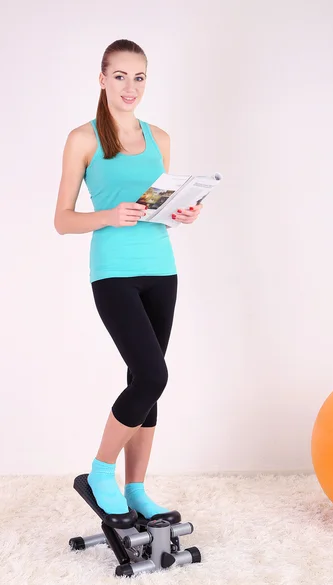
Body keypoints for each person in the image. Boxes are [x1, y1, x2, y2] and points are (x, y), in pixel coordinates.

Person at [54, 39, 203, 519]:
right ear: (102, 79)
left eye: (139, 77)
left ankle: (136, 489)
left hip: (162, 269)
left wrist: (184, 212)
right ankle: (101, 471)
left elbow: (159, 209)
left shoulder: (159, 137)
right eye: (120, 76)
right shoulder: (83, 139)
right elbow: (62, 219)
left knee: (146, 381)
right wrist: (109, 215)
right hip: (114, 273)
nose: (130, 86)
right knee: (153, 374)